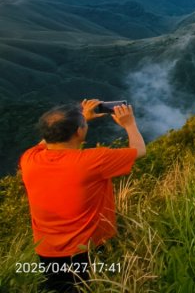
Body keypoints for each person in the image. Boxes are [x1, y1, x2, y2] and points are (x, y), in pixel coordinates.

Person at [19, 100, 146, 292]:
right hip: (88, 249)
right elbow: (140, 151)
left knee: (56, 287)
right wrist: (129, 123)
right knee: (93, 286)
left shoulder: (29, 158)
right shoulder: (93, 160)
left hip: (46, 250)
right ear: (79, 132)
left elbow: (47, 141)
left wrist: (80, 120)